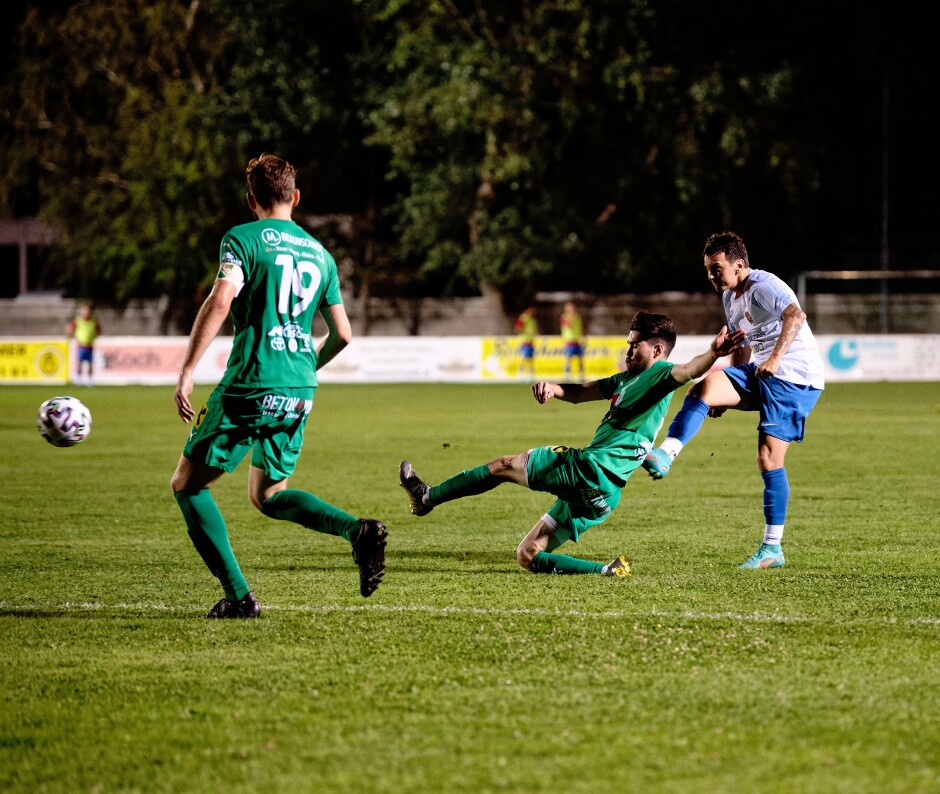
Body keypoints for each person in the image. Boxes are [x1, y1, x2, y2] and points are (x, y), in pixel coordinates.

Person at [170, 153, 387, 619]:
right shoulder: (320, 254)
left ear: (252, 200)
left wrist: (188, 367)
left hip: (250, 382)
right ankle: (357, 532)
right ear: (296, 196)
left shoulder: (242, 239)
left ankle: (239, 597)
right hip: (299, 388)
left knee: (187, 485)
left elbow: (222, 298)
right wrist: (307, 365)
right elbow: (344, 334)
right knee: (267, 495)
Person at [399, 311, 745, 576]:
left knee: (502, 465)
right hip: (603, 497)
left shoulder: (659, 374)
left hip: (589, 470)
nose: (627, 349)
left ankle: (427, 497)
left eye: (634, 344)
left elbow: (688, 370)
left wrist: (713, 352)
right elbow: (582, 392)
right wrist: (555, 388)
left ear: (656, 349)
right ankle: (607, 571)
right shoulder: (626, 378)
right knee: (528, 555)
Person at [642, 230, 825, 570]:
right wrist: (730, 389)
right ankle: (665, 454)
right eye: (708, 269)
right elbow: (741, 344)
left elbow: (796, 317)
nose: (711, 275)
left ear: (739, 264)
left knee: (768, 458)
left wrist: (774, 359)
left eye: (716, 268)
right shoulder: (729, 296)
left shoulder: (764, 285)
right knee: (705, 388)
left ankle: (772, 549)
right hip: (760, 371)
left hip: (795, 376)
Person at [66, 303, 101, 387]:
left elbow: (98, 330)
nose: (86, 313)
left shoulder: (93, 321)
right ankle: (78, 380)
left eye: (87, 311)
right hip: (81, 346)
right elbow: (70, 328)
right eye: (84, 311)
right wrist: (70, 336)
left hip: (90, 346)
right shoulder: (78, 320)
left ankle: (90, 381)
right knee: (79, 363)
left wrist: (94, 336)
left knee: (90, 364)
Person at [559, 301, 586, 380]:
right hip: (569, 341)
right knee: (568, 358)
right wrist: (571, 316)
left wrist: (583, 337)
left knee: (580, 358)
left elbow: (580, 327)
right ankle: (567, 374)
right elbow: (568, 325)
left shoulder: (577, 317)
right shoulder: (564, 317)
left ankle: (581, 374)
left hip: (577, 341)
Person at [513, 305, 539, 379]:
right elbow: (517, 329)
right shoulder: (524, 318)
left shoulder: (532, 319)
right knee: (525, 357)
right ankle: (521, 371)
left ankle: (531, 373)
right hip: (525, 341)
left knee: (530, 358)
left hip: (530, 341)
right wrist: (526, 332)